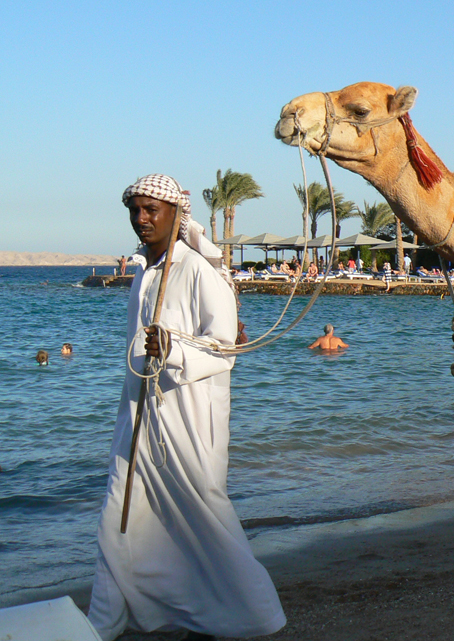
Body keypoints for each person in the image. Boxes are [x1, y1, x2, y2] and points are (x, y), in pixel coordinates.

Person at [88, 174, 285, 640]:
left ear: (176, 215)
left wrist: (172, 349)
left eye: (151, 210)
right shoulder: (142, 273)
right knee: (123, 510)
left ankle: (256, 616)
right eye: (135, 210)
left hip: (189, 420)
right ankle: (108, 618)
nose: (141, 219)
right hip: (138, 417)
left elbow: (227, 350)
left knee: (204, 519)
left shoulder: (199, 271)